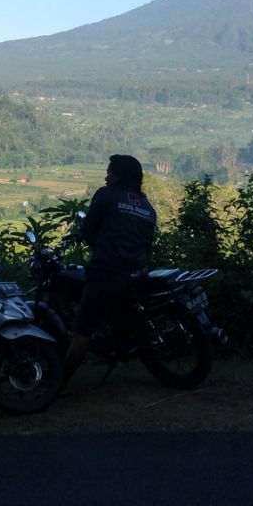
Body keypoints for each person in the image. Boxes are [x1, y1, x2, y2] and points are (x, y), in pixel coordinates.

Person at [62, 155, 157, 384]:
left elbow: (88, 232)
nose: (106, 177)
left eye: (110, 172)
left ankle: (58, 384)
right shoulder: (146, 206)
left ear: (119, 175)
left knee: (82, 332)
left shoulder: (105, 195)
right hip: (137, 274)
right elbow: (147, 243)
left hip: (107, 273)